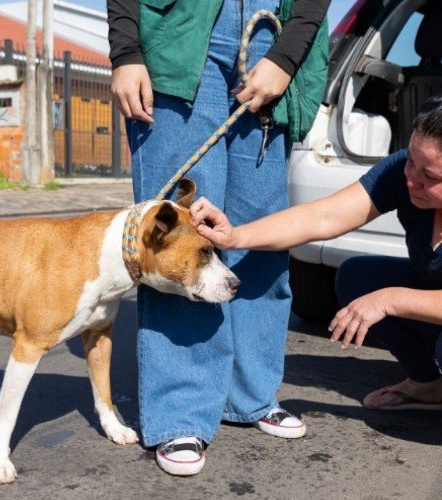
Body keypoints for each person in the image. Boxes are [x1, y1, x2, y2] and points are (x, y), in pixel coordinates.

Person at [191, 89, 442, 468]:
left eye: (430, 176)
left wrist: (389, 300)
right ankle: (427, 387)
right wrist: (237, 234)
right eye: (411, 162)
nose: (410, 179)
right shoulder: (412, 170)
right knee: (358, 277)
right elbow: (326, 216)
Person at [106, 0, 330, 475]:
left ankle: (251, 393)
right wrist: (126, 50)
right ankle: (181, 410)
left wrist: (287, 55)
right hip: (180, 36)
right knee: (181, 241)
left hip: (271, 31)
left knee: (259, 237)